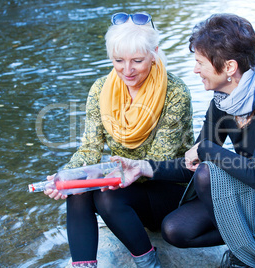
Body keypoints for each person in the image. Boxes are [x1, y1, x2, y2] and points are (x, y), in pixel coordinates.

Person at [112, 13, 255, 268]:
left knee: (208, 172)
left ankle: (248, 258)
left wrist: (206, 149)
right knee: (176, 230)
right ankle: (252, 247)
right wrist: (143, 167)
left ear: (229, 67)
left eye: (200, 63)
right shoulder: (224, 99)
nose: (195, 70)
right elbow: (191, 163)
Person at [44, 12, 194, 268]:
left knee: (105, 197)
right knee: (77, 189)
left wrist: (108, 176)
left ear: (154, 53)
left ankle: (148, 262)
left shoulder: (175, 92)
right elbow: (89, 149)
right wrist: (65, 177)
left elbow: (160, 160)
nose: (127, 70)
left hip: (168, 186)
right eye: (118, 60)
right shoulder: (101, 90)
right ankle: (84, 265)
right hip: (124, 183)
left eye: (137, 60)